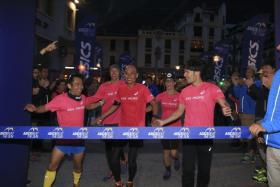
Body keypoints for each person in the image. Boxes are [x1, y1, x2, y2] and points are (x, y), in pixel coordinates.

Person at [154, 58, 231, 187]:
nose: (184, 75)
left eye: (187, 72)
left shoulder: (212, 88)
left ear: (197, 72)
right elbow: (178, 112)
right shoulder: (184, 91)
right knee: (188, 170)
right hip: (188, 136)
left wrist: (225, 108)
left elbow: (223, 102)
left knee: (204, 171)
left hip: (206, 137)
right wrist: (163, 122)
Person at [25, 73, 102, 187]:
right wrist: (35, 109)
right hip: (62, 139)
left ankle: (75, 184)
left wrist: (100, 103)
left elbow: (87, 106)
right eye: (77, 84)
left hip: (78, 140)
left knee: (78, 167)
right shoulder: (60, 99)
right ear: (69, 86)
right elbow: (45, 108)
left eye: (81, 84)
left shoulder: (83, 97)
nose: (80, 87)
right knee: (52, 166)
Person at [95, 64, 157, 187]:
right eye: (126, 73)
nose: (129, 76)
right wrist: (102, 116)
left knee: (132, 161)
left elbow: (155, 104)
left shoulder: (142, 88)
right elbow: (115, 105)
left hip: (137, 129)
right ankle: (118, 182)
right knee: (113, 158)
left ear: (137, 75)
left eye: (132, 73)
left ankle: (130, 181)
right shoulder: (121, 89)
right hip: (122, 128)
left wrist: (152, 116)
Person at [90, 64, 127, 182]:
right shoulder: (104, 86)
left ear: (120, 73)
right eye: (112, 71)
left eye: (116, 71)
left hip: (121, 122)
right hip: (106, 122)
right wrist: (82, 101)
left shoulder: (124, 84)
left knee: (114, 151)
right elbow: (95, 98)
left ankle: (116, 175)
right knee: (109, 148)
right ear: (109, 73)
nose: (114, 73)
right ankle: (121, 161)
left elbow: (121, 102)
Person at [249, 69, 280, 187]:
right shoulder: (278, 74)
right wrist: (264, 132)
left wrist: (264, 127)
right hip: (273, 145)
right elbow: (272, 114)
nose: (277, 48)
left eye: (266, 75)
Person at [155, 72, 181, 180]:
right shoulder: (160, 96)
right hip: (163, 127)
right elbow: (154, 107)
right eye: (167, 81)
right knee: (166, 150)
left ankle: (176, 158)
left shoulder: (180, 96)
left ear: (174, 83)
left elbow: (184, 110)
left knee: (173, 152)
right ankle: (168, 169)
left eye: (170, 81)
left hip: (176, 127)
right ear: (164, 83)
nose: (168, 83)